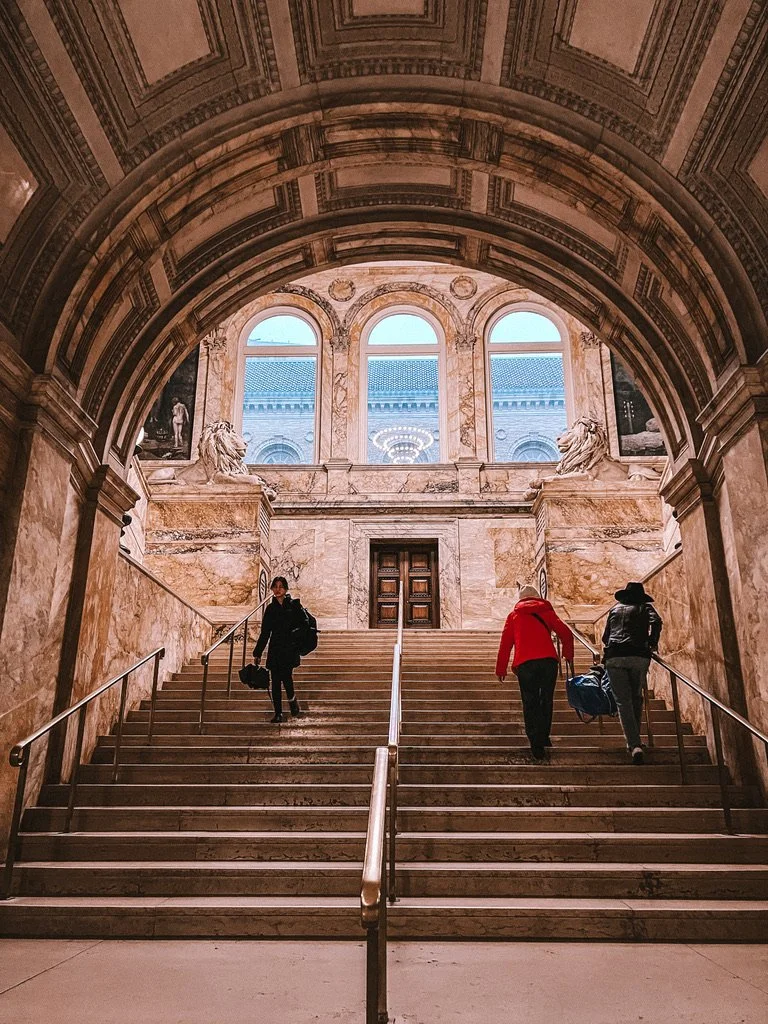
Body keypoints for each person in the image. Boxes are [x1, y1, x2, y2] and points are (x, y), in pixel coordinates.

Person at [496, 585, 574, 761]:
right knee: (546, 699)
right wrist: (567, 654)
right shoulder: (546, 611)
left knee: (530, 701)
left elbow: (505, 643)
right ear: (537, 597)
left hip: (525, 664)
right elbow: (566, 633)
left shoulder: (514, 616)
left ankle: (535, 742)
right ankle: (544, 736)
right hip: (548, 661)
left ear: (520, 599)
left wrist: (501, 668)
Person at [602, 581, 662, 765]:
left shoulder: (615, 609)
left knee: (623, 702)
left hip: (614, 657)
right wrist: (652, 642)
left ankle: (634, 744)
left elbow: (606, 637)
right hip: (638, 656)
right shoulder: (645, 608)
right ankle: (635, 742)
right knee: (636, 697)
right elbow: (657, 622)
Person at [253, 576, 304, 723]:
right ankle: (278, 713)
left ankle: (292, 701)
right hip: (275, 649)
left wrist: (297, 644)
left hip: (289, 649)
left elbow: (301, 627)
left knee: (287, 678)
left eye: (280, 586)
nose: (277, 589)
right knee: (275, 681)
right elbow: (265, 633)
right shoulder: (270, 609)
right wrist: (258, 652)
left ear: (286, 588)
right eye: (275, 586)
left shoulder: (293, 606)